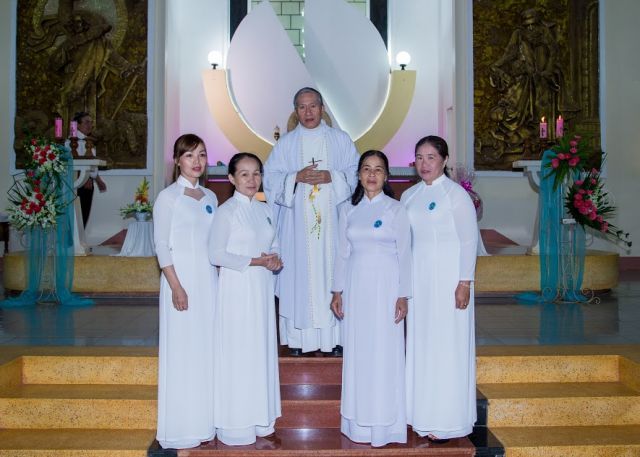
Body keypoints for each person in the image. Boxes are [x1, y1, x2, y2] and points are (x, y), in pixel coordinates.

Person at [263, 87, 360, 356]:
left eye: (313, 106)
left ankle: (335, 338)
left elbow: (357, 172)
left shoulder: (340, 140)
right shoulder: (286, 144)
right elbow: (269, 178)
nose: (308, 112)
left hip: (333, 227)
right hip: (297, 230)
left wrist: (332, 177)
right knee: (299, 278)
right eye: (302, 107)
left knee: (332, 273)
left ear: (322, 108)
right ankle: (298, 340)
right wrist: (294, 177)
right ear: (295, 111)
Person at [330, 150, 411, 447]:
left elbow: (405, 254)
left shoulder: (396, 210)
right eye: (366, 168)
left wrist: (403, 294)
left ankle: (385, 426)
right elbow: (342, 253)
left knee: (384, 352)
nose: (372, 174)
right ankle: (358, 425)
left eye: (378, 169)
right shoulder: (347, 209)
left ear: (386, 176)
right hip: (356, 288)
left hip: (387, 288)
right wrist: (336, 291)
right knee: (359, 351)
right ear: (359, 175)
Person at [401, 135, 478, 442]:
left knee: (447, 346)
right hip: (419, 284)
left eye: (431, 157)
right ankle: (420, 413)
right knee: (422, 344)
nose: (424, 164)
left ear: (444, 160)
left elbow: (469, 240)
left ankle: (447, 419)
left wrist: (464, 282)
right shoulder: (409, 196)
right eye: (419, 157)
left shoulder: (455, 195)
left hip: (449, 282)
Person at [209, 152, 282, 445]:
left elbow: (274, 244)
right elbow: (215, 254)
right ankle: (237, 423)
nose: (252, 180)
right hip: (237, 289)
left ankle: (262, 418)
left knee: (260, 349)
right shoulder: (226, 212)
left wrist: (275, 260)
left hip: (262, 287)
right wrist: (255, 261)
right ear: (231, 178)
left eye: (256, 173)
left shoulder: (265, 209)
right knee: (239, 351)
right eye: (244, 174)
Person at [154, 134, 218, 449]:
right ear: (178, 160)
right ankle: (182, 426)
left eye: (202, 155)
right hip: (181, 282)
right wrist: (176, 286)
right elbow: (161, 246)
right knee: (183, 351)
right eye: (190, 155)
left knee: (206, 350)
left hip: (209, 283)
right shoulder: (168, 197)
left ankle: (205, 421)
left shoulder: (211, 197)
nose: (197, 161)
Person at [66, 111, 107, 226]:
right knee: (79, 216)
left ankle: (80, 237)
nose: (90, 125)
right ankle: (75, 237)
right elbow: (73, 163)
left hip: (87, 181)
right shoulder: (72, 142)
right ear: (77, 125)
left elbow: (91, 164)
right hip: (80, 183)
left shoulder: (87, 140)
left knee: (84, 215)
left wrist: (98, 180)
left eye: (91, 122)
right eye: (87, 122)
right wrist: (85, 178)